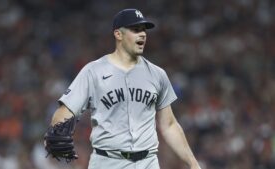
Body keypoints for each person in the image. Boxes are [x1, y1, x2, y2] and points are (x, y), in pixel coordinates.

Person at [45, 8, 202, 169]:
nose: (142, 34)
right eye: (135, 30)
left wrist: (192, 162)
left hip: (147, 162)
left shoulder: (157, 75)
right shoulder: (93, 71)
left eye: (144, 30)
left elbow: (169, 125)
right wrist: (56, 127)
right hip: (107, 161)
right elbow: (67, 110)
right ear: (118, 34)